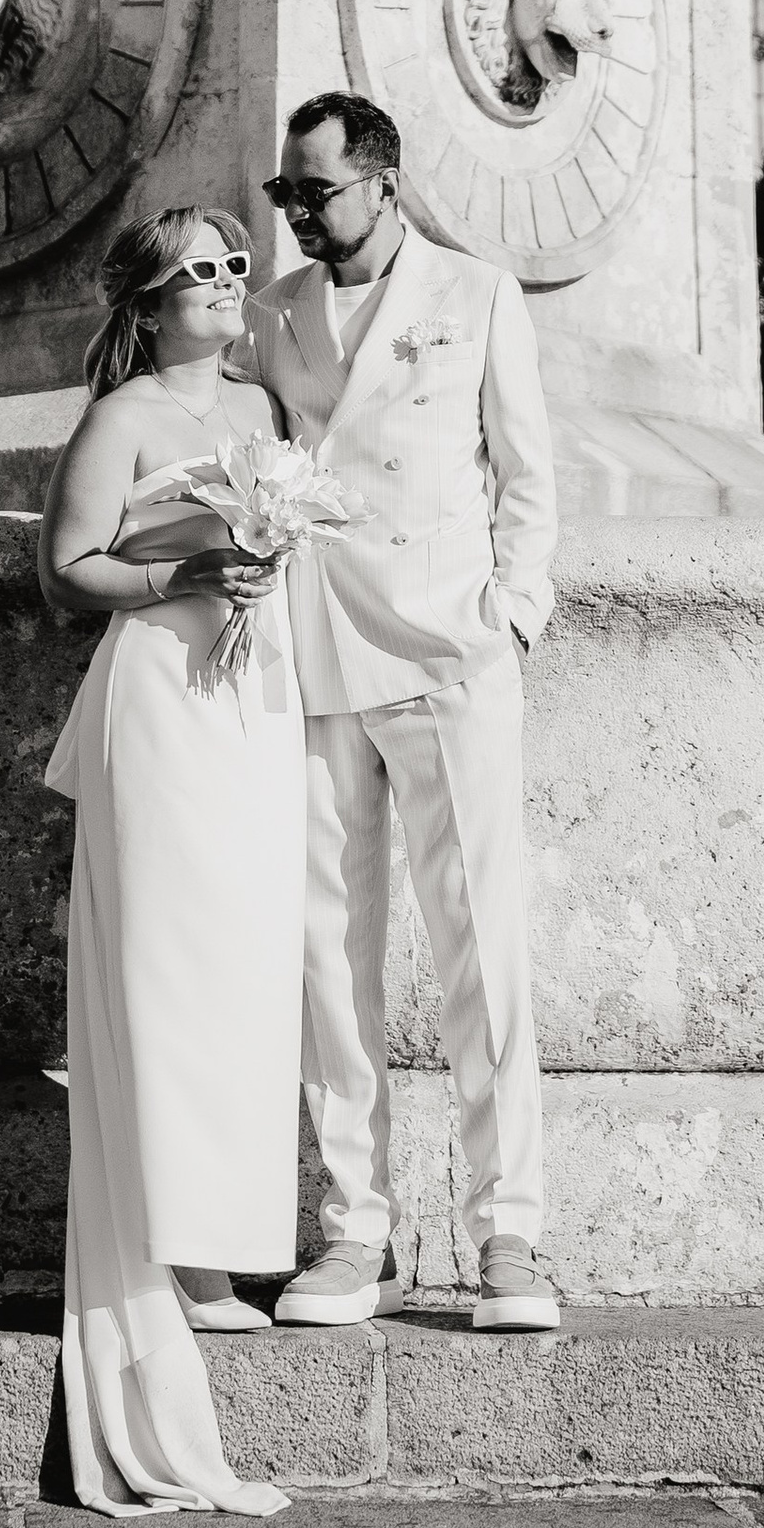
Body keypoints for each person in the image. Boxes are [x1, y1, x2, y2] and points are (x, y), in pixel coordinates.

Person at [238, 90, 562, 1335]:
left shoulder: (475, 293)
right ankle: (352, 1227)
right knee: (329, 952)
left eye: (309, 192)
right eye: (285, 195)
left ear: (380, 180)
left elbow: (528, 473)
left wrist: (510, 612)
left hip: (445, 653)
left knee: (482, 945)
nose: (296, 212)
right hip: (314, 656)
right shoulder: (271, 314)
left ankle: (509, 1231)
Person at [38, 205, 303, 1517]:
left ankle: (225, 1242)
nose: (228, 284)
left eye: (236, 264)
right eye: (202, 270)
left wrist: (263, 568)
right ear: (149, 300)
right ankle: (169, 1252)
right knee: (165, 969)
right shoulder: (126, 415)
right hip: (158, 695)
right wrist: (185, 576)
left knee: (246, 972)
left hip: (252, 701)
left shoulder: (262, 409)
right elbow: (66, 564)